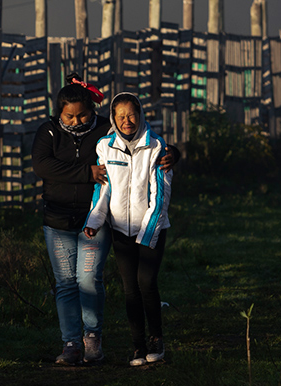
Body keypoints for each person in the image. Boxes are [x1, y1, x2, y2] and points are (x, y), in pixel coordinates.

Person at [32, 74, 178, 366]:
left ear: (95, 112)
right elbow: (42, 166)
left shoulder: (102, 131)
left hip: (96, 221)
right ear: (58, 113)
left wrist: (175, 153)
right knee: (66, 283)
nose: (75, 121)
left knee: (90, 279)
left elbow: (144, 150)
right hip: (59, 219)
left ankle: (93, 339)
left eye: (82, 114)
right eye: (69, 116)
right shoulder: (49, 133)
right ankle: (71, 343)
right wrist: (87, 173)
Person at [84, 92, 173, 367]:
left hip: (152, 230)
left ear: (140, 114)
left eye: (131, 114)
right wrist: (94, 220)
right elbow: (102, 188)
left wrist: (147, 234)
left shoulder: (157, 146)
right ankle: (137, 347)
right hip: (120, 230)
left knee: (146, 283)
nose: (126, 121)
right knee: (129, 289)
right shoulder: (104, 146)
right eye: (120, 116)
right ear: (113, 117)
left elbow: (161, 195)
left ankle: (156, 340)